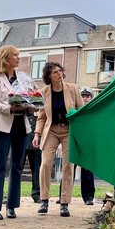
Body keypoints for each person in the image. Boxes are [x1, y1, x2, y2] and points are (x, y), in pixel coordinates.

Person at [0, 45, 32, 220]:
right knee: (0, 166)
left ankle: (12, 206)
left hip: (21, 125)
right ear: (6, 58)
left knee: (17, 167)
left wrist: (31, 106)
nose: (19, 58)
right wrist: (11, 108)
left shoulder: (23, 78)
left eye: (19, 55)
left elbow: (30, 96)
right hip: (3, 126)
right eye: (15, 55)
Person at [33, 62, 83, 217]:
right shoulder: (43, 92)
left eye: (60, 70)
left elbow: (81, 111)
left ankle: (64, 203)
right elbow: (41, 117)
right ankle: (44, 200)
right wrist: (37, 134)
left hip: (69, 130)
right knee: (46, 164)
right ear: (49, 76)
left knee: (69, 165)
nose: (59, 73)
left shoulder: (73, 89)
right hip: (51, 130)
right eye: (55, 72)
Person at [78, 87, 96, 205]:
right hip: (74, 141)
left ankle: (88, 197)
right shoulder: (75, 109)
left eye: (87, 96)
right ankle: (63, 196)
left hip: (88, 142)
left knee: (87, 170)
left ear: (91, 98)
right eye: (83, 96)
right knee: (68, 169)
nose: (85, 98)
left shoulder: (94, 111)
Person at [25, 113, 42, 203]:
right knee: (15, 169)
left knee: (37, 170)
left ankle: (36, 193)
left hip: (36, 144)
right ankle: (12, 194)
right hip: (22, 141)